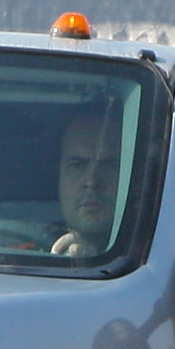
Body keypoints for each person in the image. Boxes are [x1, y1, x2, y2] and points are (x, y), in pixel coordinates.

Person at [50, 102, 125, 256]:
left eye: (110, 165)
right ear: (58, 176)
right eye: (77, 165)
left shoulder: (161, 257)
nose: (92, 181)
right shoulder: (20, 257)